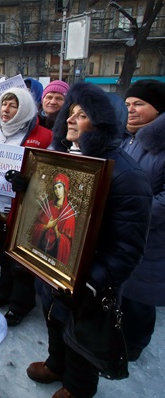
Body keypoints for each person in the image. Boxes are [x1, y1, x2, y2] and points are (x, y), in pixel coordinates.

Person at [26, 82, 152, 398]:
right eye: (70, 113)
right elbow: (46, 210)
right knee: (54, 319)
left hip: (89, 281)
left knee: (80, 333)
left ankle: (79, 387)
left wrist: (90, 283)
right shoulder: (60, 157)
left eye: (81, 115)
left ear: (100, 123)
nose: (70, 119)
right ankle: (57, 364)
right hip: (54, 265)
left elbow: (127, 250)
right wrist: (24, 190)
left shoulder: (125, 174)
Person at [0, 87, 52, 326]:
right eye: (4, 104)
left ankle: (21, 304)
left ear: (23, 108)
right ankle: (4, 292)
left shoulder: (43, 136)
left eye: (13, 105)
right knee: (3, 256)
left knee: (21, 262)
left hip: (24, 211)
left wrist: (28, 183)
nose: (6, 110)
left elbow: (51, 177)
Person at [118, 79, 165, 362]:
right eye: (127, 105)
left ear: (158, 109)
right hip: (127, 230)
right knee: (127, 288)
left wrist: (135, 216)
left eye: (139, 104)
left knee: (141, 296)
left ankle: (134, 346)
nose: (131, 110)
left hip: (152, 236)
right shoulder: (130, 138)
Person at [31, 173, 75, 264]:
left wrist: (56, 232)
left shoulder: (69, 213)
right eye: (55, 188)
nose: (57, 191)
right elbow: (35, 226)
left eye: (60, 187)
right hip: (39, 250)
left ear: (65, 188)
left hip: (54, 256)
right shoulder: (48, 205)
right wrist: (46, 227)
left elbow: (68, 243)